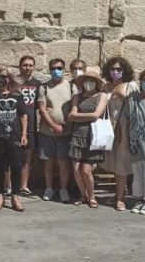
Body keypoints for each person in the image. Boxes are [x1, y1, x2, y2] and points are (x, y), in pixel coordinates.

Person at [0, 67, 27, 212]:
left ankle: (15, 196)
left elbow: (23, 116)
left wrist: (24, 134)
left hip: (14, 137)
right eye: (0, 76)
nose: (3, 79)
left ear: (10, 78)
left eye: (5, 76)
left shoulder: (17, 96)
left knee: (16, 167)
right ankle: (0, 196)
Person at [67, 68, 108, 208]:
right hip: (77, 135)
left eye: (91, 81)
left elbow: (96, 115)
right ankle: (83, 195)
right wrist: (85, 117)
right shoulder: (77, 97)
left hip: (93, 136)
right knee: (76, 169)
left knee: (86, 170)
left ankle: (92, 196)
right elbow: (71, 115)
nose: (88, 83)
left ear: (96, 83)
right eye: (86, 81)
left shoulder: (102, 95)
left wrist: (78, 117)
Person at [101, 56, 138, 210]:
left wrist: (126, 98)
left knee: (123, 164)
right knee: (115, 163)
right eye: (113, 69)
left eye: (119, 69)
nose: (115, 72)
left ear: (124, 71)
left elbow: (139, 108)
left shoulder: (131, 86)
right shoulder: (105, 87)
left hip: (126, 129)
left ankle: (121, 199)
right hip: (110, 129)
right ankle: (119, 193)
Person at [37, 58, 76, 202]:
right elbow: (42, 109)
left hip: (65, 131)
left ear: (64, 70)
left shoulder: (71, 86)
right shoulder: (44, 87)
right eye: (53, 68)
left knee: (63, 162)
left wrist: (67, 126)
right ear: (49, 70)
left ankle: (63, 189)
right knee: (48, 161)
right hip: (47, 131)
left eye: (59, 68)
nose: (56, 71)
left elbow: (74, 107)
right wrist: (54, 126)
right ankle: (49, 188)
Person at [16, 55, 41, 196]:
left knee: (27, 157)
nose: (28, 68)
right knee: (12, 157)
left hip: (31, 125)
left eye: (31, 65)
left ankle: (23, 186)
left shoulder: (37, 84)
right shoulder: (13, 83)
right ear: (20, 66)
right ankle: (10, 186)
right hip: (14, 124)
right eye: (25, 65)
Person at [127, 68, 145, 214]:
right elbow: (126, 119)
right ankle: (141, 198)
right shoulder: (133, 98)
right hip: (135, 140)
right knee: (138, 171)